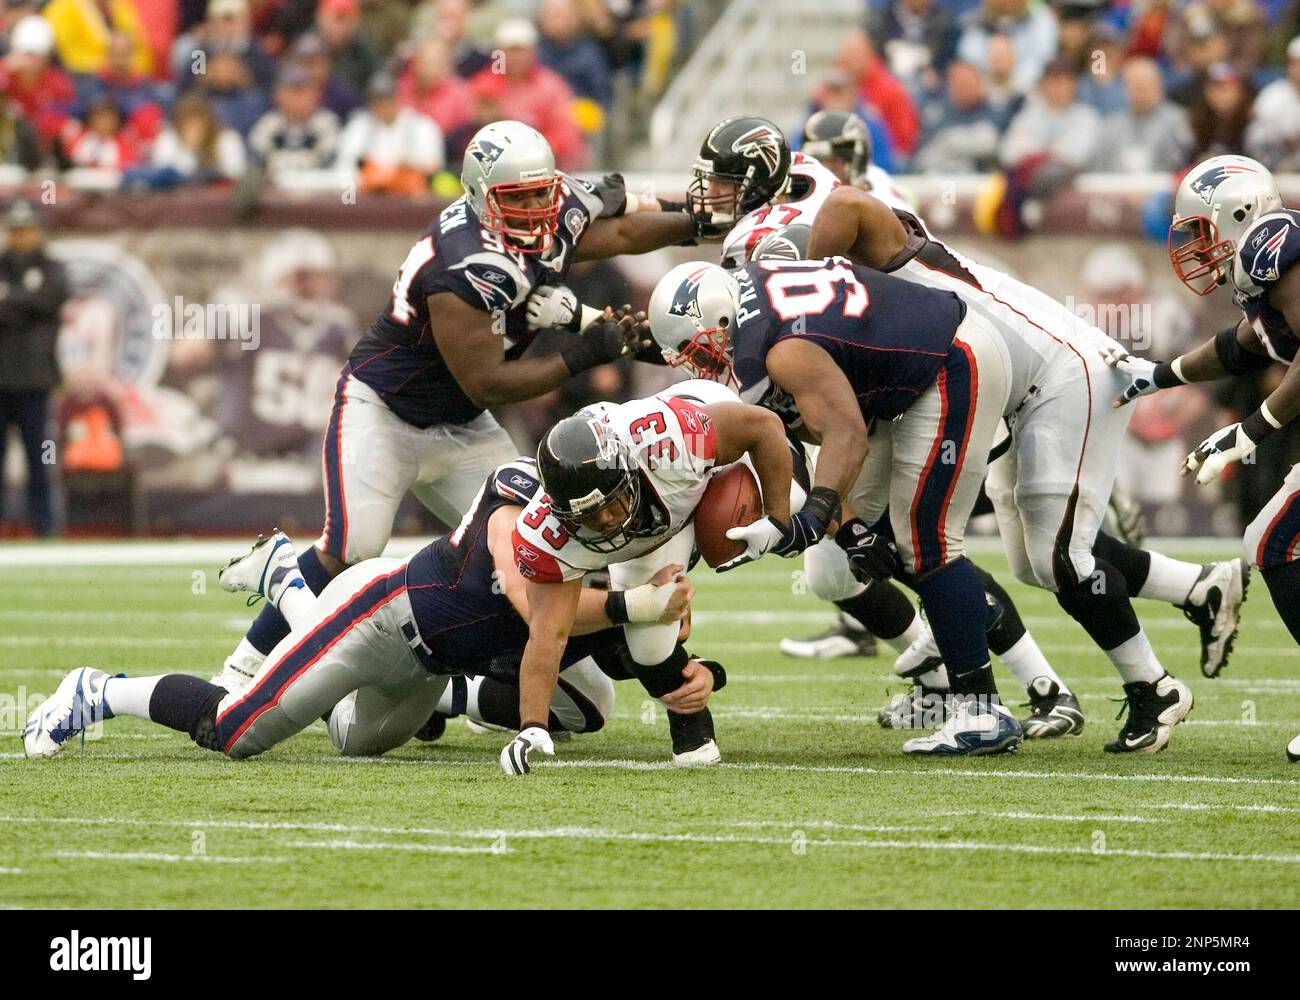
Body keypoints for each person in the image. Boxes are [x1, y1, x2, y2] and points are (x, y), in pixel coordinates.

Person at [214, 120, 698, 693]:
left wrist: (702, 222)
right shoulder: (461, 265)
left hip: (463, 428)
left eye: (545, 193)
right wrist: (585, 352)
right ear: (480, 199)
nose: (540, 209)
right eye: (521, 199)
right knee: (353, 548)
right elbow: (486, 383)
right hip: (386, 412)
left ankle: (480, 676)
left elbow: (619, 233)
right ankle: (246, 662)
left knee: (533, 537)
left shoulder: (549, 206)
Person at [798, 180, 1244, 751]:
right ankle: (1198, 586)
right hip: (1009, 387)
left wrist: (807, 279)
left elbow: (845, 201)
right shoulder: (867, 293)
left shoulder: (871, 239)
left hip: (1061, 375)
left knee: (1060, 557)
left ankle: (1152, 687)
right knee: (1033, 563)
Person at [23, 458, 697, 766]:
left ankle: (288, 585)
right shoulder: (520, 504)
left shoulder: (614, 529)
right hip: (378, 613)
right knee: (235, 729)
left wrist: (683, 668)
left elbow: (597, 636)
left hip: (429, 663)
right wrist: (635, 604)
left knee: (350, 742)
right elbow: (532, 602)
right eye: (599, 506)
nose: (612, 518)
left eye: (618, 502)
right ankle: (98, 691)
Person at [648, 255, 1027, 758]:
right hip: (911, 375)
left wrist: (812, 516)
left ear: (719, 320)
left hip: (948, 359)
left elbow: (845, 434)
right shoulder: (756, 310)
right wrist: (844, 527)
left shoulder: (781, 351)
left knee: (926, 539)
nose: (705, 367)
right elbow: (816, 431)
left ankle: (982, 707)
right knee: (879, 525)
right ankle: (958, 641)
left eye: (701, 351)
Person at [1104, 154, 1300, 761]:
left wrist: (1253, 429)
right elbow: (1245, 348)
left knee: (1271, 541)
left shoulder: (1276, 243)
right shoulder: (1266, 277)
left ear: (1240, 213)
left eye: (1201, 229)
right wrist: (1158, 375)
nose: (1196, 246)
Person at [507, 381, 798, 772]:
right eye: (588, 516)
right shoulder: (548, 535)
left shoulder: (671, 442)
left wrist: (777, 519)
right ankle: (694, 733)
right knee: (647, 644)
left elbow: (762, 427)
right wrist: (532, 726)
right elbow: (548, 633)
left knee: (797, 499)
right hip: (660, 522)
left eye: (610, 504)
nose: (606, 521)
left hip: (706, 447)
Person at [0, 200, 69, 539]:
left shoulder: (52, 268)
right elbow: (36, 304)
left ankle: (45, 528)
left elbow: (52, 297)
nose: (22, 237)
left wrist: (9, 301)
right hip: (1, 381)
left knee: (39, 460)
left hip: (34, 382)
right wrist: (25, 301)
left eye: (27, 230)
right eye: (16, 230)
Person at [336, 71, 444, 195]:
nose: (383, 105)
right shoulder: (359, 126)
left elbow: (434, 168)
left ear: (399, 98)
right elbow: (344, 169)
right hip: (369, 200)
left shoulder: (420, 125)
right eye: (377, 100)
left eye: (388, 99)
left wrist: (401, 172)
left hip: (410, 200)